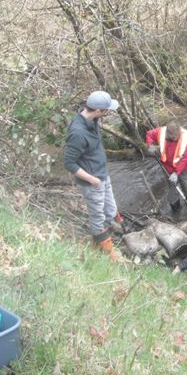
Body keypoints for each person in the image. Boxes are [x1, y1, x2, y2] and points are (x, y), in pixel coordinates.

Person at [64, 91, 123, 261]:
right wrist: (92, 179)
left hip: (103, 174)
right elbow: (69, 163)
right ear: (97, 110)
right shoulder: (77, 133)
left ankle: (97, 244)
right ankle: (109, 255)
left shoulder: (93, 119)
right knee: (98, 218)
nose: (108, 113)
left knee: (110, 212)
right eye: (106, 110)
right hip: (93, 183)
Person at [146, 121, 187, 212]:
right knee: (172, 192)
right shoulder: (160, 132)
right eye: (174, 137)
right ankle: (176, 211)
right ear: (168, 134)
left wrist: (176, 173)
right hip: (167, 168)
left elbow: (185, 157)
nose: (176, 138)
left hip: (184, 168)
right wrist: (150, 145)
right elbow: (149, 134)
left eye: (177, 135)